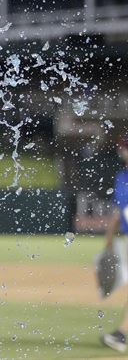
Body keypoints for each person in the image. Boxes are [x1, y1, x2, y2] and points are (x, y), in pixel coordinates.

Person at [101, 136, 128, 353]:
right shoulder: (123, 175)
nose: (122, 151)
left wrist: (109, 241)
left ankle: (121, 335)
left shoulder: (124, 177)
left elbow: (118, 214)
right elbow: (118, 213)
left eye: (125, 148)